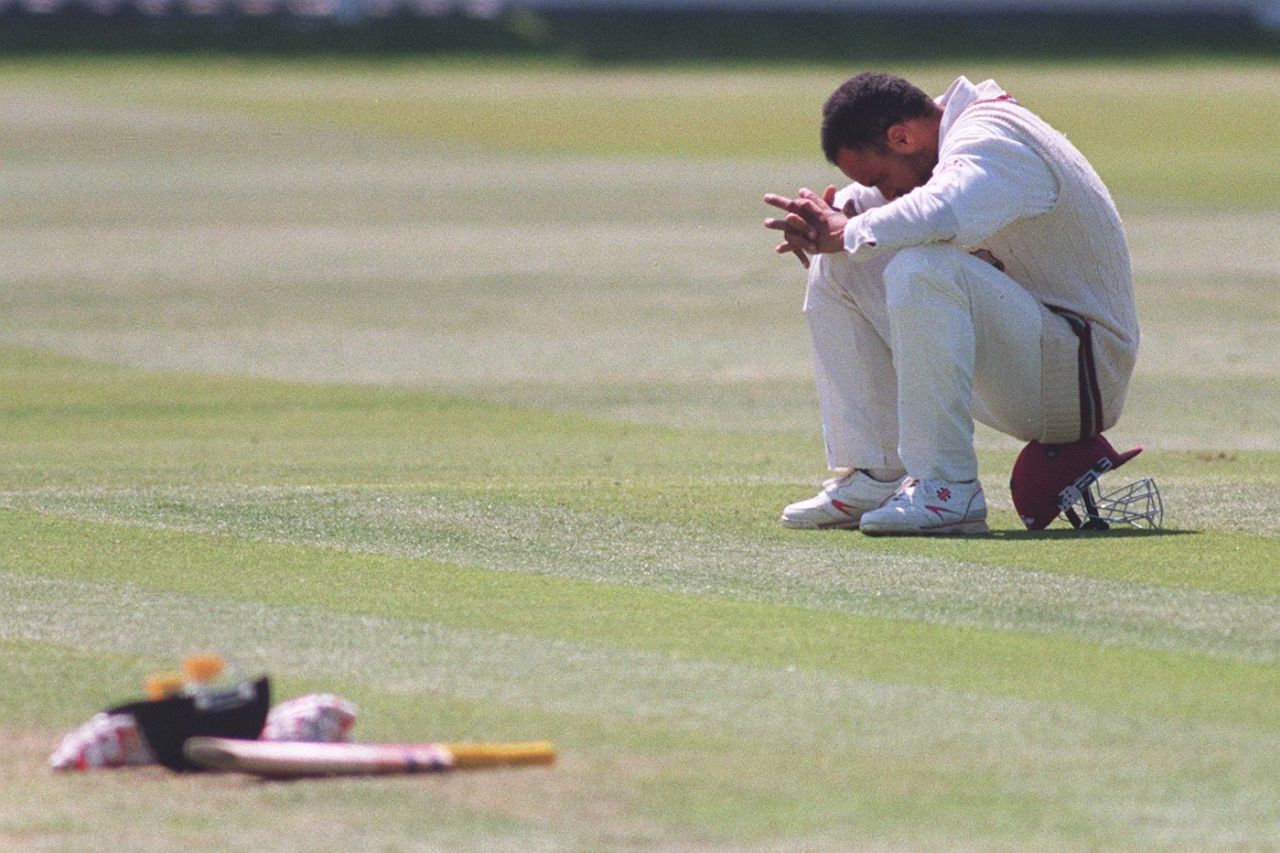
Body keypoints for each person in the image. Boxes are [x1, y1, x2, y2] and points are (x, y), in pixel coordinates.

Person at [763, 71, 1140, 535]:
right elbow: (869, 210)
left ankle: (947, 488)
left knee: (921, 266)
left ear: (901, 137)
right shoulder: (942, 137)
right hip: (1030, 356)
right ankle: (879, 474)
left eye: (882, 178)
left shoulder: (992, 137)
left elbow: (940, 209)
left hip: (1081, 375)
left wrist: (848, 230)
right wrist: (830, 220)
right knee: (842, 263)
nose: (885, 192)